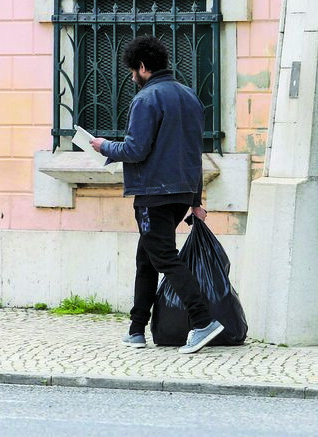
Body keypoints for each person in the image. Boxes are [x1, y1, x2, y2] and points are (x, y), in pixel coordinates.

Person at [90, 35, 223, 354]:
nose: (132, 77)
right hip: (181, 192)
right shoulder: (189, 96)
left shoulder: (147, 99)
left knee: (163, 257)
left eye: (133, 71)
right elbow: (195, 151)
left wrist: (103, 146)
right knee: (147, 258)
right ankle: (137, 329)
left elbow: (136, 149)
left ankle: (203, 321)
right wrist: (195, 199)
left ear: (143, 67)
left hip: (153, 194)